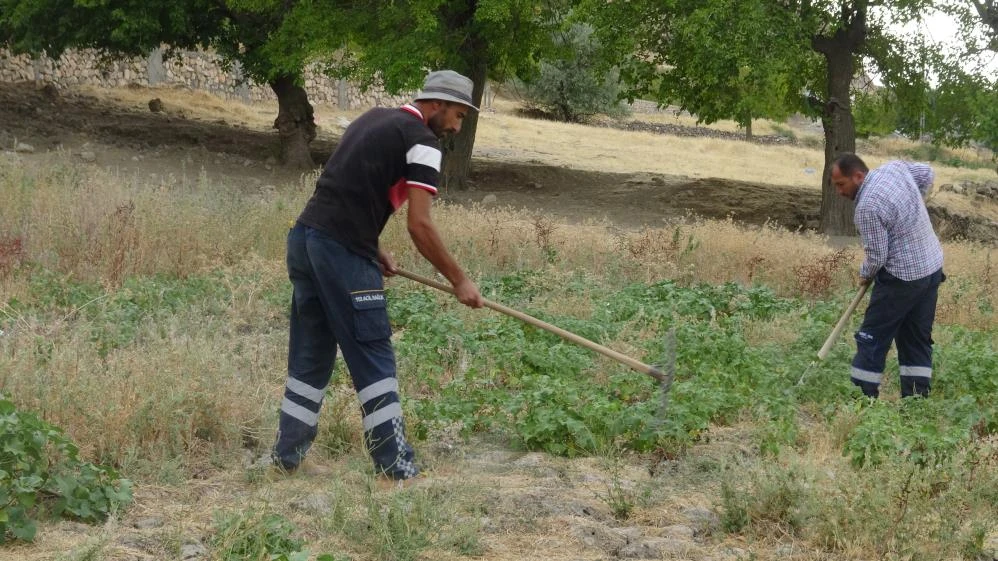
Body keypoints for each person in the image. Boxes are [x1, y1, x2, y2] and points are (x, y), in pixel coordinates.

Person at [272, 70, 485, 482]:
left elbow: (345, 190)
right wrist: (459, 279)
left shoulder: (372, 118)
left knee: (310, 355)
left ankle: (285, 459)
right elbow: (419, 225)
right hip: (341, 250)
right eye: (458, 116)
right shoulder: (422, 142)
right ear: (438, 104)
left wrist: (372, 245)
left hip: (305, 239)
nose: (458, 128)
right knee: (373, 356)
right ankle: (396, 467)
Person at [830, 153, 945, 399]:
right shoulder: (894, 169)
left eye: (841, 184)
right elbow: (926, 172)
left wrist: (865, 274)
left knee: (872, 337)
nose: (839, 192)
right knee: (916, 338)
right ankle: (916, 401)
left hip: (902, 278)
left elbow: (878, 256)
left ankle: (862, 399)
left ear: (858, 176)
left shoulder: (867, 207)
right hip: (932, 267)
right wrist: (913, 210)